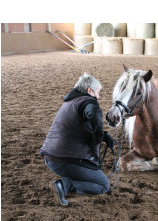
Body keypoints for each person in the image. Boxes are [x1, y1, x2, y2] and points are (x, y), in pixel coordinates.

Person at [40, 72, 114, 206]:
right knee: (103, 184)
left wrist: (103, 135)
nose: (99, 96)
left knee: (95, 177)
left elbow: (77, 128)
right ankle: (65, 185)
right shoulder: (89, 102)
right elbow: (93, 117)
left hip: (51, 156)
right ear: (89, 90)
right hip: (64, 159)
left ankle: (66, 183)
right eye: (97, 92)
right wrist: (98, 137)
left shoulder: (71, 103)